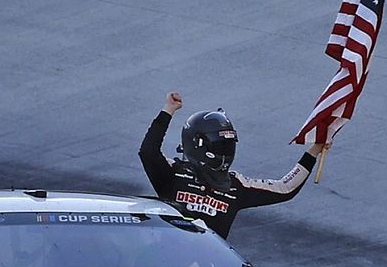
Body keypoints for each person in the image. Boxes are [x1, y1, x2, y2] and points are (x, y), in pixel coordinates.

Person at [139, 92, 326, 239]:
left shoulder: (237, 186)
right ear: (198, 144)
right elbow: (148, 152)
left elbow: (285, 188)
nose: (225, 151)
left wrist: (314, 151)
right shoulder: (172, 173)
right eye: (220, 145)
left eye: (228, 145)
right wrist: (168, 110)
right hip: (164, 265)